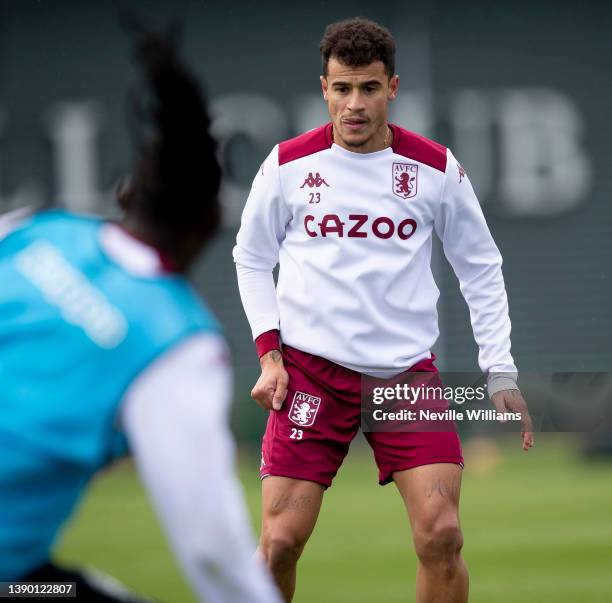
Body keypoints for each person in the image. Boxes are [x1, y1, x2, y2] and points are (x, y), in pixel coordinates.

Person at [233, 16, 534, 603]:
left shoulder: (435, 169)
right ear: (323, 88)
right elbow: (250, 258)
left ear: (391, 89)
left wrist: (499, 367)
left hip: (403, 378)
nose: (354, 104)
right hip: (311, 375)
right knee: (280, 543)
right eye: (341, 88)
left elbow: (480, 266)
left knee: (442, 534)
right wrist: (269, 355)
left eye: (368, 88)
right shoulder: (288, 165)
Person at [0, 28, 281, 603]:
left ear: (125, 193)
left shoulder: (33, 229)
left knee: (50, 589)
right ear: (207, 225)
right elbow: (211, 547)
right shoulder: (176, 341)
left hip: (23, 582)